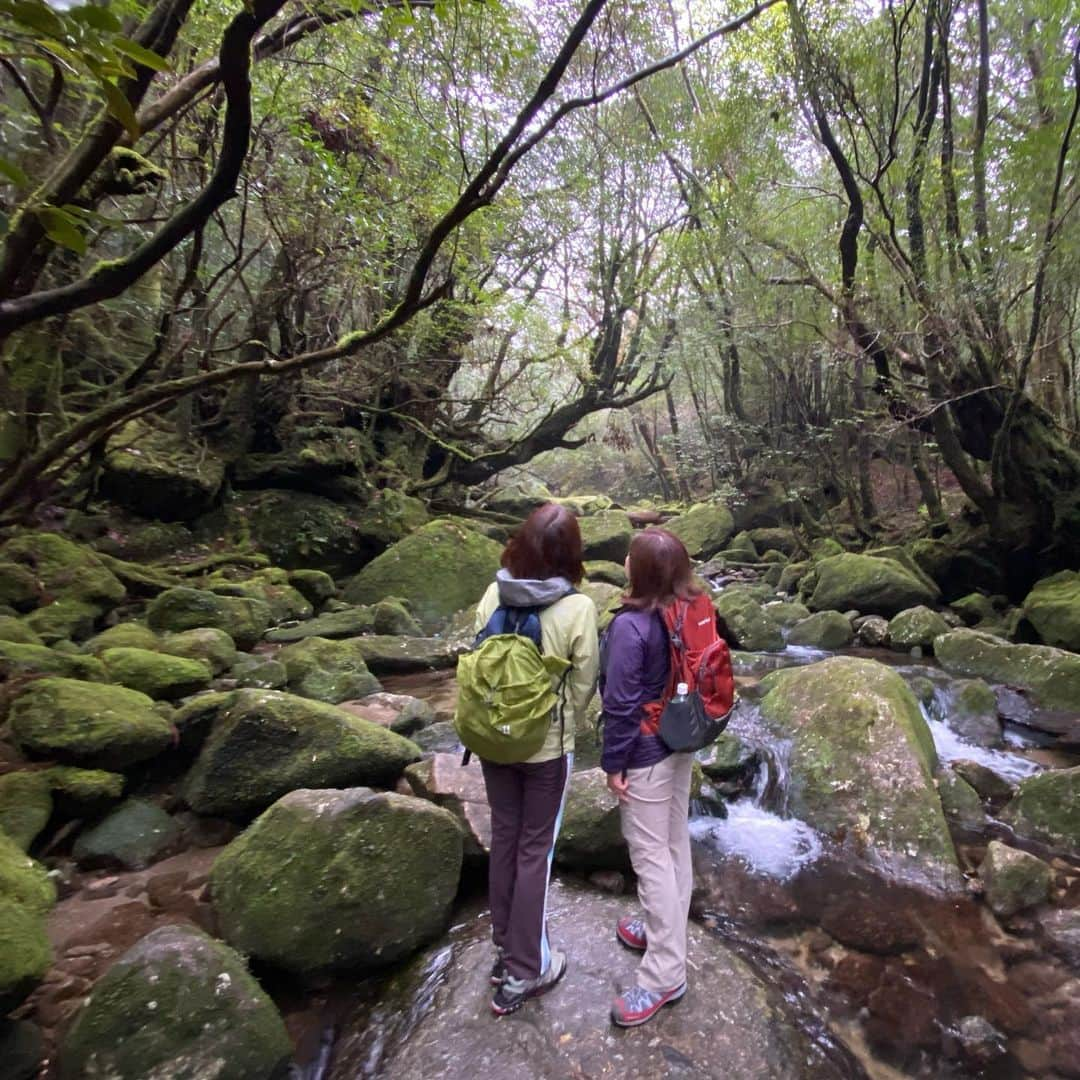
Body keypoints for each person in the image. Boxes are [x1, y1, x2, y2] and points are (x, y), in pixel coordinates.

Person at [475, 502, 599, 1016]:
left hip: (492, 740)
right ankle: (528, 969)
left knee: (504, 836)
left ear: (519, 544)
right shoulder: (578, 609)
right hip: (546, 750)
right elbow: (586, 681)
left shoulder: (492, 593)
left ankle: (506, 944)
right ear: (572, 554)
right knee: (535, 850)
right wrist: (559, 722)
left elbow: (475, 662)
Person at [601, 528, 702, 1027]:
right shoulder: (687, 609)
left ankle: (664, 974)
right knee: (672, 841)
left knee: (650, 857)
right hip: (680, 740)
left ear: (635, 571)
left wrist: (612, 763)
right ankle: (666, 932)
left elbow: (619, 705)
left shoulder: (630, 626)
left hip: (643, 751)